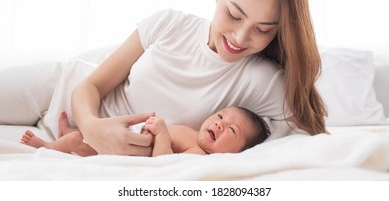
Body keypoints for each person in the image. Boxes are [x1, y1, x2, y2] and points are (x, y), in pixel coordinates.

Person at [0, 0, 327, 156]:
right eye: (234, 14)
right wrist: (91, 126)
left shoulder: (265, 81)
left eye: (263, 29)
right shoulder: (171, 23)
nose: (240, 37)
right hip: (60, 88)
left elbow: (299, 139)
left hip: (79, 144)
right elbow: (92, 85)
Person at [21, 106, 270, 156]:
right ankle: (68, 136)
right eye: (220, 116)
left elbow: (164, 164)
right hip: (123, 140)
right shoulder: (193, 132)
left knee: (79, 141)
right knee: (80, 137)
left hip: (123, 153)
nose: (218, 124)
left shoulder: (197, 154)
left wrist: (161, 134)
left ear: (237, 152)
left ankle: (48, 147)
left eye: (231, 130)